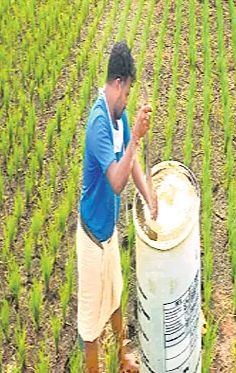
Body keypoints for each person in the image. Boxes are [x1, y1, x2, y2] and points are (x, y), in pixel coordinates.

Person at [77, 41, 157, 373]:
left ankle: (123, 355)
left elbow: (131, 162)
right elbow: (115, 180)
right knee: (91, 324)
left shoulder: (117, 115)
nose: (128, 100)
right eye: (127, 93)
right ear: (118, 83)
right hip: (93, 235)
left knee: (116, 296)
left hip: (109, 232)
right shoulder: (98, 122)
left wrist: (149, 195)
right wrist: (137, 138)